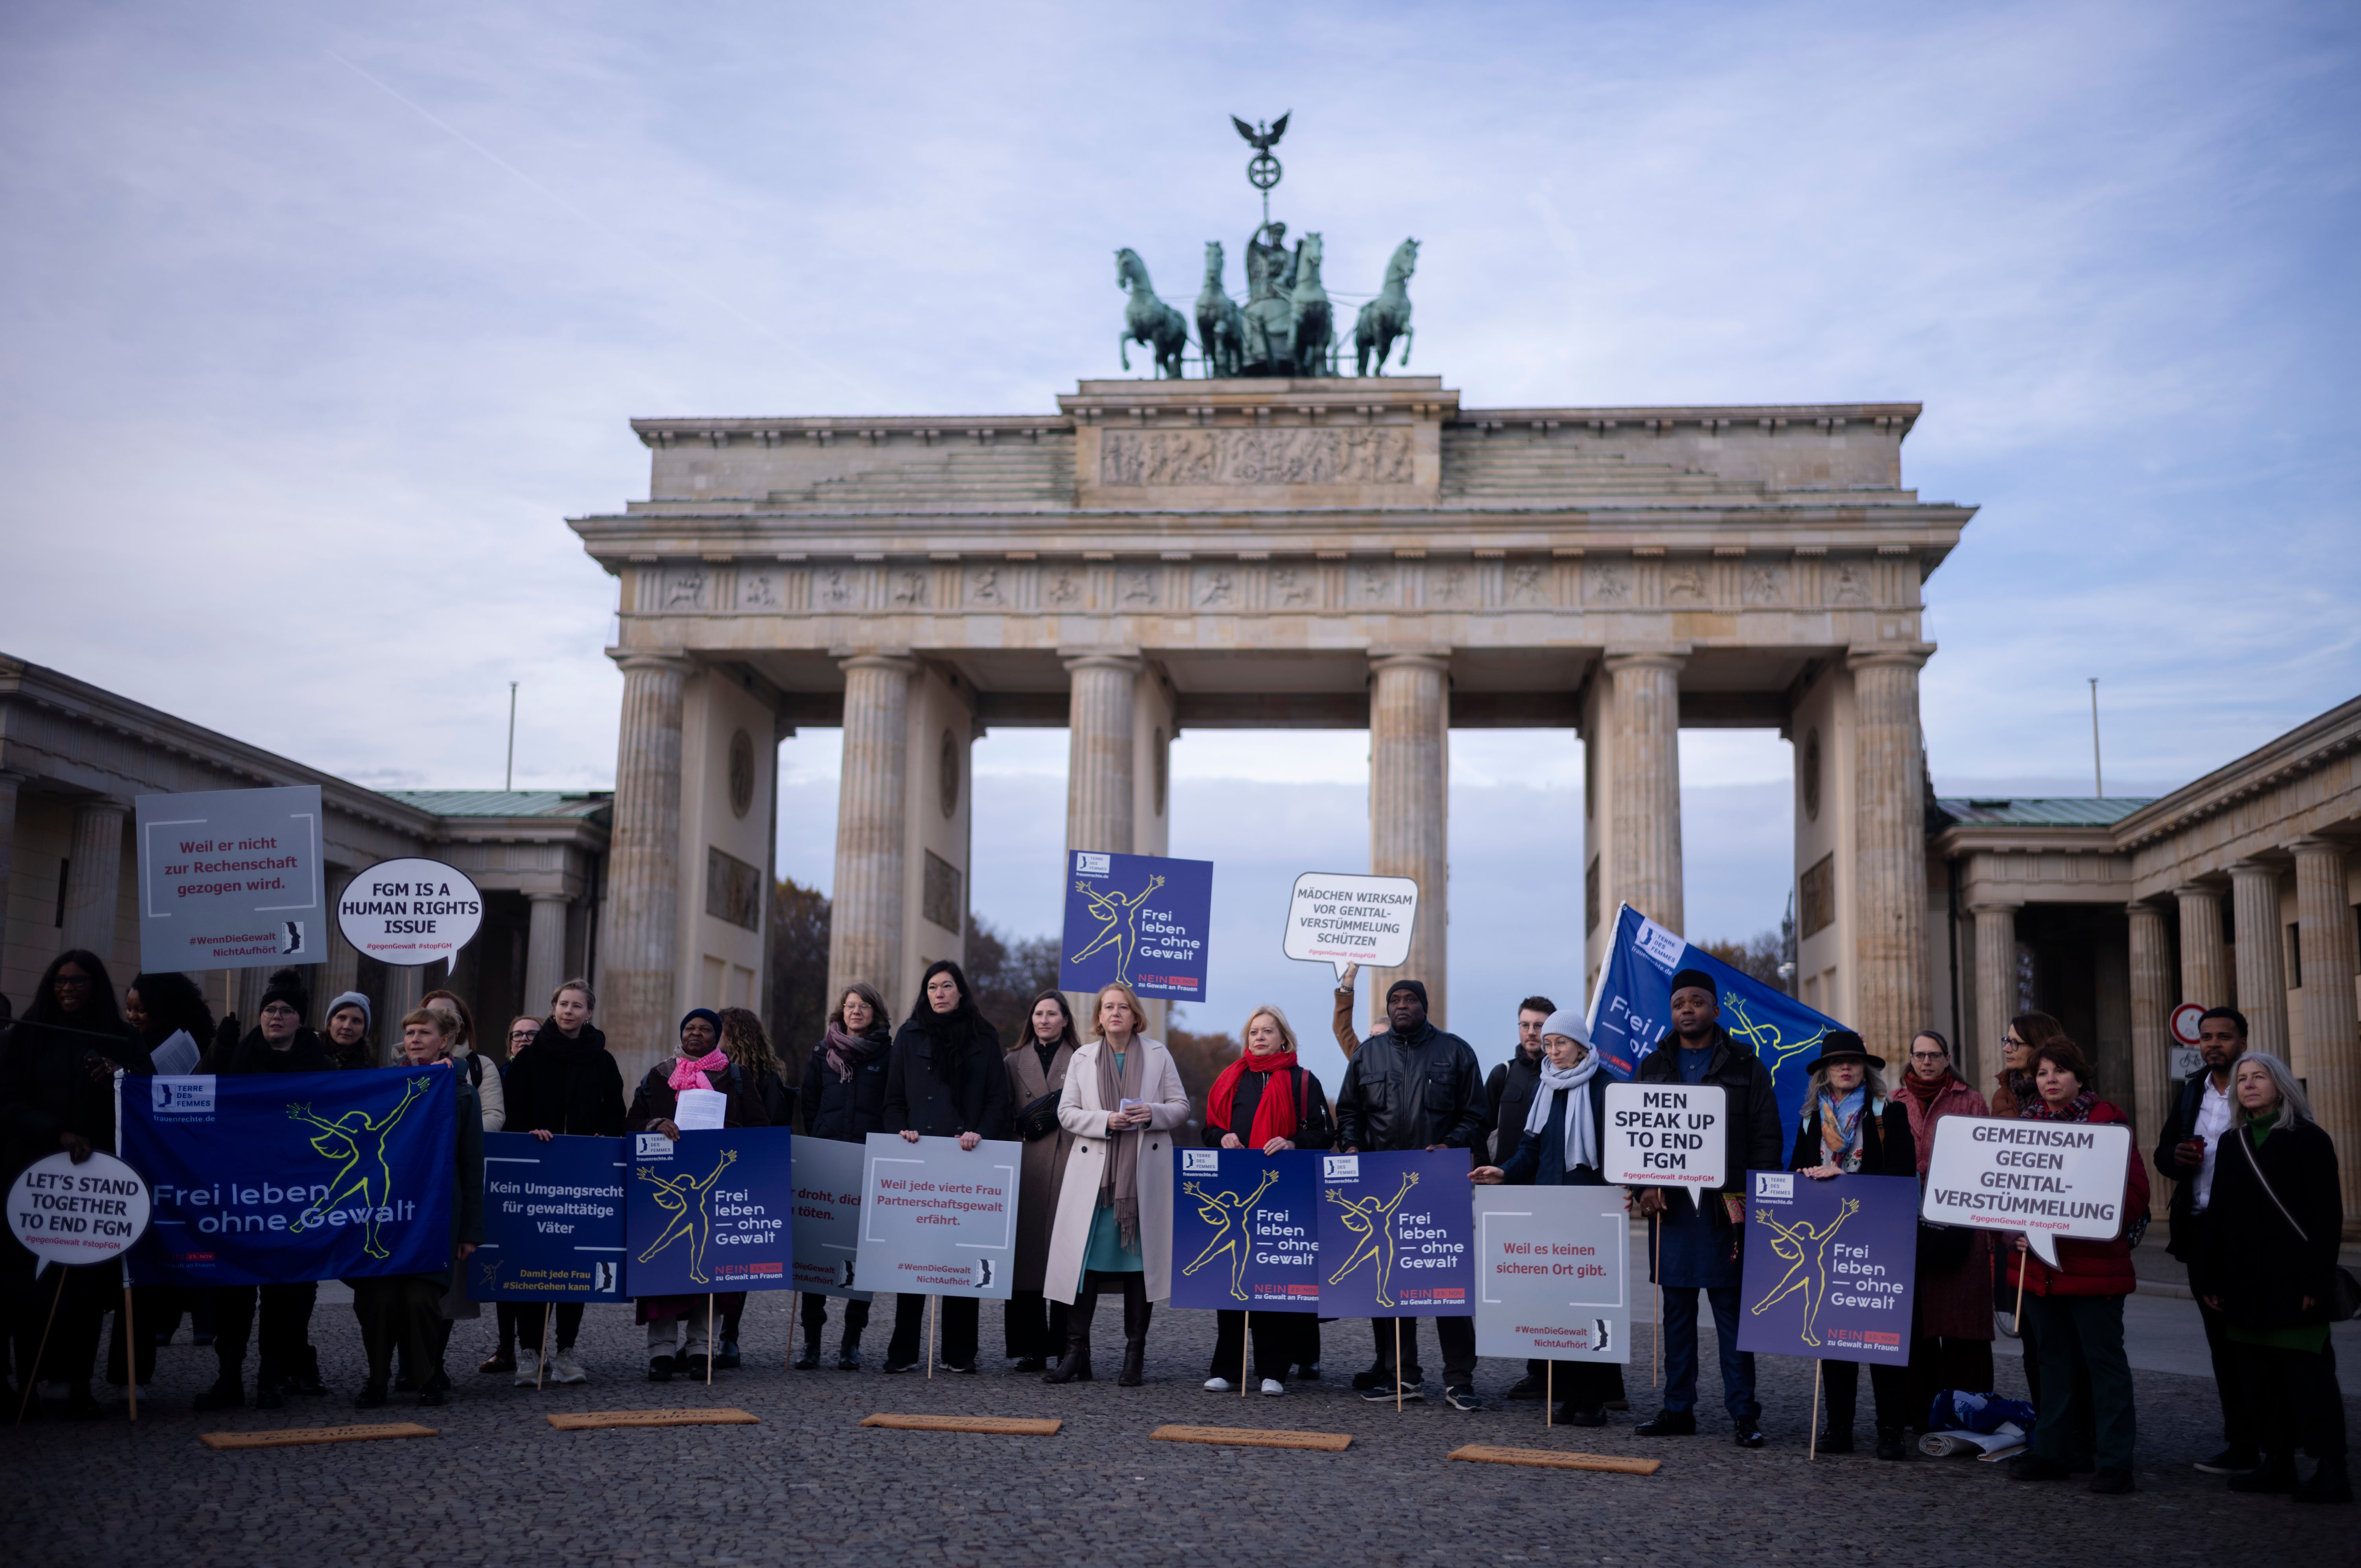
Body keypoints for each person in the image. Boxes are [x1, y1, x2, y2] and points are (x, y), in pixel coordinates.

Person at [1631, 968, 1782, 1447]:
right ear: (1671, 1012)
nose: (1687, 1010)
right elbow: (1636, 1137)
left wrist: (1757, 1197)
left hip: (1726, 1212)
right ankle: (1679, 1409)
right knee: (1675, 1318)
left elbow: (1765, 1137)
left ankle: (1743, 1412)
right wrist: (1642, 1186)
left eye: (1697, 1001)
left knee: (1733, 1320)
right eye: (1679, 1004)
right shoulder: (1653, 1066)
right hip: (1672, 1212)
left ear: (1716, 1010)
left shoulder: (1746, 1064)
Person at [1, 949, 151, 1418]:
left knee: (85, 1288)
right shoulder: (27, 1035)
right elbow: (6, 1098)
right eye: (60, 980)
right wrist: (55, 1131)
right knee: (33, 1287)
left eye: (78, 980)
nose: (67, 988)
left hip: (98, 1180)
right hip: (35, 1174)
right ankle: (34, 1379)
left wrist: (121, 1078)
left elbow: (149, 1098)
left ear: (95, 985)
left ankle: (80, 1382)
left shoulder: (122, 1038)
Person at [2198, 1052, 2350, 1504]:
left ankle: (2332, 1469)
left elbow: (2327, 1218)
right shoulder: (2232, 1142)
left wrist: (2316, 1281)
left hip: (2296, 1286)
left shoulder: (2309, 1138)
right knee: (2259, 1383)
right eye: (2241, 1079)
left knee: (2311, 1383)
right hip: (2244, 1286)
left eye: (2258, 1077)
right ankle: (2277, 1462)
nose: (2247, 1085)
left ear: (2280, 1085)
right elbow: (2218, 1217)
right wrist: (2211, 1276)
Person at [1334, 977, 1489, 1410]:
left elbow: (1478, 1115)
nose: (1402, 1006)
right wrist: (1351, 1145)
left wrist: (1452, 1143)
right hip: (1382, 1184)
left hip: (1439, 1186)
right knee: (1390, 1285)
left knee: (1446, 1286)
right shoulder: (1368, 1054)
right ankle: (1402, 1376)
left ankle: (1460, 1379)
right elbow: (1349, 1111)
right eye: (1395, 1000)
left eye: (1410, 1000)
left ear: (1425, 1005)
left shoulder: (1455, 1052)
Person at [2002, 1036, 2149, 1495]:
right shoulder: (2024, 1127)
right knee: (2053, 1364)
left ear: (2079, 1078)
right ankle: (2052, 1451)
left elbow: (2135, 1198)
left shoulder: (2109, 1126)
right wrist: (2013, 1229)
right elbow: (2003, 1196)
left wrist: (2077, 1218)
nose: (2050, 1080)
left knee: (2104, 1367)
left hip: (2092, 1269)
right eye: (2043, 1072)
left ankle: (2115, 1461)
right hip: (2040, 1270)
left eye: (2060, 1072)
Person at [1470, 1008, 1615, 1425]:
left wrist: (1632, 1190)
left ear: (1580, 1044)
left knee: (1591, 1307)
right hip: (1551, 1208)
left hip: (1591, 1210)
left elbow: (1620, 1153)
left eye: (1561, 1043)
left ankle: (1595, 1398)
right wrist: (1504, 1171)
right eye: (1548, 1044)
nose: (1553, 1051)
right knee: (1559, 1306)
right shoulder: (1545, 1087)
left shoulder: (1606, 1086)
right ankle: (1568, 1392)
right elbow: (1531, 1149)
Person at [197, 967, 333, 1409]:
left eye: (286, 1010)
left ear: (301, 1019)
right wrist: (220, 1047)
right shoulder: (236, 1053)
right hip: (242, 1192)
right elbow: (200, 1100)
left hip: (294, 1195)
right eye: (270, 1009)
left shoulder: (320, 1064)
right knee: (234, 1289)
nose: (276, 1016)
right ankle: (229, 1376)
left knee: (286, 1292)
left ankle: (271, 1376)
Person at [1044, 981, 1188, 1387]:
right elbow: (1067, 1113)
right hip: (1096, 1180)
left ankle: (1134, 1357)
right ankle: (1076, 1355)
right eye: (1108, 1007)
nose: (1115, 1013)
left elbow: (1181, 1108)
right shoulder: (1083, 1057)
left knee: (1138, 1267)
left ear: (1135, 1013)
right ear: (1099, 1016)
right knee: (1083, 1264)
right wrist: (1105, 1121)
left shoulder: (1159, 1054)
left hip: (1143, 1177)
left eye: (1122, 1007)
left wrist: (1151, 1112)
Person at [1788, 1031, 1916, 1459]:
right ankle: (1838, 1428)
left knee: (1883, 1338)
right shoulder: (1810, 1119)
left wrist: (1847, 1179)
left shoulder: (1888, 1114)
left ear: (1866, 1069)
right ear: (1824, 1071)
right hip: (1831, 1239)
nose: (1846, 1068)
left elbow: (1903, 1175)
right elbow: (1795, 1175)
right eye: (1837, 1062)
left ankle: (1891, 1431)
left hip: (1879, 1238)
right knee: (1835, 1338)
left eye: (1854, 1062)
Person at [882, 961, 1010, 1374]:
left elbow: (998, 1099)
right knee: (912, 1259)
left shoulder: (984, 1037)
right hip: (918, 1156)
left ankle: (960, 1352)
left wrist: (980, 1134)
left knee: (962, 1256)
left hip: (968, 1156)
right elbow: (893, 1098)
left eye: (947, 986)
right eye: (933, 987)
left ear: (961, 992)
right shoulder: (909, 1034)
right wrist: (899, 1131)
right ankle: (903, 1350)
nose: (939, 993)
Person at [353, 1008, 484, 1407]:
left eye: (424, 1032)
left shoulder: (461, 1093)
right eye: (409, 1032)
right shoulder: (382, 1086)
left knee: (418, 1301)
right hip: (384, 1215)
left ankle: (426, 1377)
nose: (414, 1039)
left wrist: (469, 1232)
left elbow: (471, 1163)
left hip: (433, 1219)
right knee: (377, 1300)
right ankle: (377, 1379)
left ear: (444, 1040)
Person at [629, 1007, 769, 1381]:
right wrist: (654, 1123)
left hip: (717, 1188)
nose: (696, 1033)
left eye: (705, 1029)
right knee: (662, 1273)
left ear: (717, 1035)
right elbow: (628, 1123)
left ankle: (700, 1349)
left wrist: (728, 1137)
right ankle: (660, 1353)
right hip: (664, 1184)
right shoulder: (659, 1075)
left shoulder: (736, 1077)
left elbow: (761, 1129)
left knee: (708, 1268)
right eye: (690, 1027)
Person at [1202, 1003, 1334, 1396]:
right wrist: (1220, 1137)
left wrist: (1293, 1142)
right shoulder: (1230, 1080)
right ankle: (1227, 1368)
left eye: (1267, 1031)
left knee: (1275, 1281)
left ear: (1284, 1038)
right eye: (1253, 1032)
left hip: (1284, 1192)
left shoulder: (1303, 1080)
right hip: (1237, 1189)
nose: (1259, 1037)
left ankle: (1273, 1370)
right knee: (1233, 1282)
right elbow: (1209, 1130)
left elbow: (1323, 1135)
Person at [499, 979, 626, 1385]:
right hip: (535, 1173)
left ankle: (567, 1351)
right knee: (532, 1262)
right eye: (562, 1004)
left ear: (590, 1013)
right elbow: (511, 1112)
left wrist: (603, 1138)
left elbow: (615, 1111)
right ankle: (529, 1353)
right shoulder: (529, 1059)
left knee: (575, 1263)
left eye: (577, 1005)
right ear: (553, 1008)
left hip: (583, 1175)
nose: (569, 1011)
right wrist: (528, 1132)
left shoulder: (603, 1061)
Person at [2154, 1005, 2260, 1476]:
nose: (2214, 1043)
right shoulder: (2192, 1090)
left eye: (2224, 1036)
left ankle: (2275, 1442)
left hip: (2251, 1237)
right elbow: (2162, 1153)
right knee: (2221, 1344)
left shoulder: (2258, 1087)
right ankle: (2241, 1443)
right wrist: (2176, 1157)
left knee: (2255, 1344)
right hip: (2200, 1232)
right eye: (2207, 1037)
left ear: (2242, 1039)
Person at [1895, 1029, 1995, 1431]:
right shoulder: (1895, 1100)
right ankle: (1918, 1413)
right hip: (1909, 1224)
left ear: (1947, 1057)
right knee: (1915, 1328)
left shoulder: (1969, 1100)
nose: (1926, 1062)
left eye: (1934, 1055)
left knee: (1961, 1327)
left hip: (1961, 1225)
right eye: (1920, 1055)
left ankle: (1966, 1415)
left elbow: (1988, 1157)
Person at [118, 971, 215, 1371]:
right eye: (130, 1008)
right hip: (146, 1159)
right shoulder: (125, 1041)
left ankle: (204, 1315)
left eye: (142, 1009)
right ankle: (164, 1316)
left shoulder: (196, 1044)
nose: (134, 1016)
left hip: (190, 1159)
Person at [796, 983, 891, 1370]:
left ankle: (851, 1342)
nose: (856, 1011)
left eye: (864, 1006)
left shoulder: (888, 1053)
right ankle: (811, 1342)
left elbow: (890, 1103)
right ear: (842, 1011)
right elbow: (810, 1101)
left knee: (861, 1259)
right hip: (827, 1159)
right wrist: (821, 1138)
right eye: (851, 1005)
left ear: (875, 1012)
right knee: (815, 1256)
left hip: (869, 1161)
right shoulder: (823, 1051)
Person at [708, 1006, 791, 1370]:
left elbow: (771, 1126)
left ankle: (729, 1337)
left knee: (735, 1261)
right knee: (709, 1259)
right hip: (713, 1171)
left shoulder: (764, 1077)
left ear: (733, 1034)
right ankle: (707, 1339)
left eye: (718, 1029)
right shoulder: (706, 1069)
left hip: (743, 1173)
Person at [1485, 993, 1557, 1403]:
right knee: (1522, 1288)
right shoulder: (1503, 1074)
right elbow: (1481, 1128)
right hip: (1507, 1194)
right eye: (1527, 1025)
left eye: (1540, 1026)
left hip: (1551, 1194)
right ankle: (1536, 1369)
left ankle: (1559, 1368)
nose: (1533, 1032)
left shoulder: (1565, 1073)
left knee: (1554, 1286)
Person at [1003, 989, 1080, 1372]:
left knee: (1066, 1259)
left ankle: (1069, 1345)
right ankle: (1032, 1347)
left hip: (1070, 1164)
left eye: (1052, 1014)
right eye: (1038, 1013)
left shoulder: (1085, 1060)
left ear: (1066, 1020)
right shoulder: (1012, 1060)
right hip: (1027, 1166)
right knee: (1027, 1258)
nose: (1044, 1020)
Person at [423, 988, 506, 1134]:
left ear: (460, 1027)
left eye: (446, 1016)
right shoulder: (403, 1065)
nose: (439, 1021)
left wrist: (455, 1137)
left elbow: (493, 1117)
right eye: (430, 1015)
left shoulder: (482, 1066)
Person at [322, 992, 375, 1072]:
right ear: (330, 1023)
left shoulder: (366, 1074)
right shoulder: (308, 1054)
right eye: (342, 1018)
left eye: (356, 1021)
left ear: (363, 1032)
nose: (347, 1027)